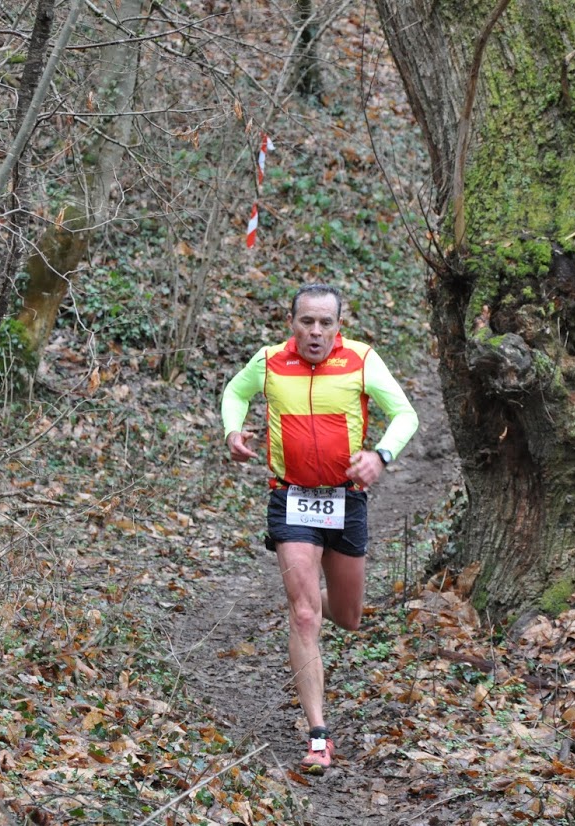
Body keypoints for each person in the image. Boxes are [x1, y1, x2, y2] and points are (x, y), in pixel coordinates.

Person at [220, 283, 419, 774]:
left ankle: (306, 596)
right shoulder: (270, 361)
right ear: (291, 323)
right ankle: (318, 735)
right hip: (291, 497)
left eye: (325, 323)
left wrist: (381, 455)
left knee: (348, 616)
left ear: (338, 326)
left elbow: (405, 414)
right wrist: (233, 430)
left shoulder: (361, 360)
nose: (315, 332)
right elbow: (235, 392)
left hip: (345, 499)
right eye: (306, 321)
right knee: (306, 615)